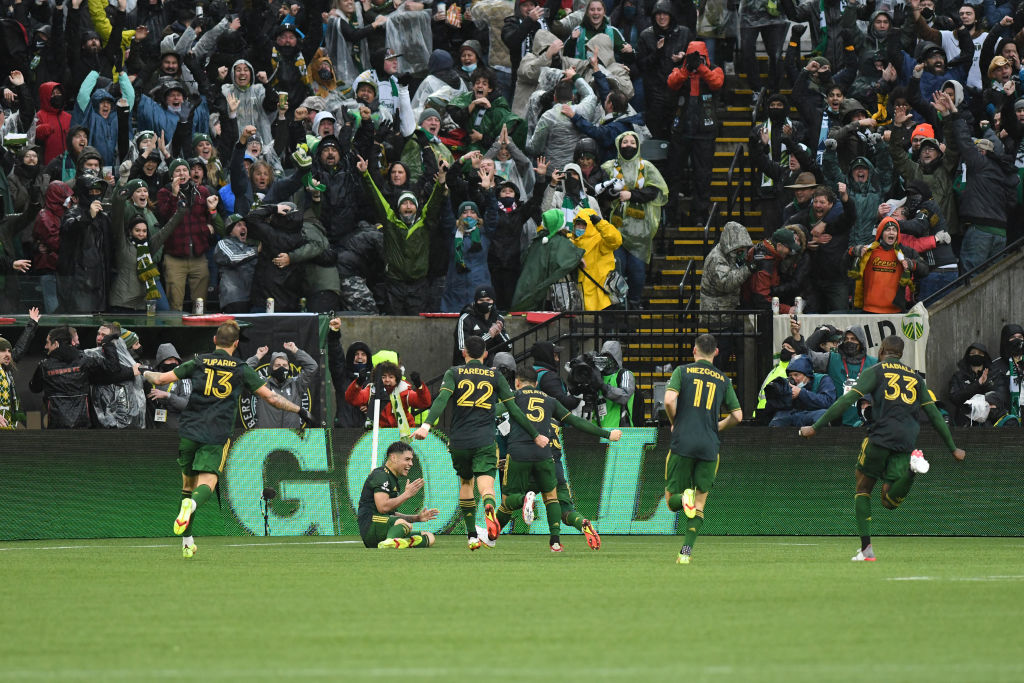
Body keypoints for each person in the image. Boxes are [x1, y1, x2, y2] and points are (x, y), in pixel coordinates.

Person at [143, 321, 316, 559]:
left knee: (187, 488)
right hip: (215, 433)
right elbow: (272, 398)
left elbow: (161, 379)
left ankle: (187, 541)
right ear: (236, 343)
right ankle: (191, 508)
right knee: (207, 482)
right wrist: (300, 411)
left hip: (189, 429)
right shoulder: (241, 368)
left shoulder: (198, 361)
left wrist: (141, 370)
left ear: (215, 340)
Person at [799, 336, 966, 562]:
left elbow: (846, 400)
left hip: (880, 436)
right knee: (888, 500)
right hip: (906, 441)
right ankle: (911, 470)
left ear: (883, 351)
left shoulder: (876, 371)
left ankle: (867, 549)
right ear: (901, 353)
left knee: (863, 487)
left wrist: (816, 427)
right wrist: (953, 448)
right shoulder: (915, 377)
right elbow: (935, 415)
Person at [412, 335, 548, 550]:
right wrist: (535, 434)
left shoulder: (454, 372)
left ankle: (472, 536)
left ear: (464, 352)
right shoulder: (494, 375)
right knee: (486, 487)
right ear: (486, 354)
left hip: (459, 440)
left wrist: (426, 426)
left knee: (466, 483)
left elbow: (441, 399)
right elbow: (514, 408)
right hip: (484, 439)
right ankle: (489, 510)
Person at [496, 367, 621, 552]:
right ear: (537, 383)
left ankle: (492, 533)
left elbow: (491, 412)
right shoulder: (550, 403)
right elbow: (576, 422)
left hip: (520, 454)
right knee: (553, 499)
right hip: (549, 460)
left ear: (516, 382)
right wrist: (607, 434)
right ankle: (555, 541)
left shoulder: (514, 398)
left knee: (507, 502)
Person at [663, 333, 743, 564]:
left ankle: (683, 497)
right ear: (716, 353)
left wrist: (674, 421)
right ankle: (685, 553)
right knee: (699, 504)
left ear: (694, 351)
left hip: (683, 441)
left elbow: (669, 400)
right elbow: (738, 415)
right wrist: (717, 426)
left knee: (672, 502)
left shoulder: (683, 371)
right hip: (709, 445)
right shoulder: (723, 380)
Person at [29, 325, 127, 429]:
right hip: (82, 425)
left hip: (56, 426)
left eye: (48, 343)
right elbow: (113, 367)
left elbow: (35, 388)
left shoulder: (44, 366)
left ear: (56, 344)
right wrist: (107, 343)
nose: (45, 346)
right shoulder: (84, 360)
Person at [359, 441, 439, 549]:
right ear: (393, 458)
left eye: (411, 460)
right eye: (407, 459)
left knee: (429, 537)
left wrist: (417, 518)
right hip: (371, 526)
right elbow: (383, 508)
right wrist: (406, 495)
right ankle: (390, 541)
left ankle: (397, 542)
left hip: (384, 525)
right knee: (404, 524)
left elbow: (390, 514)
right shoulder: (381, 475)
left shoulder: (393, 479)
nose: (411, 463)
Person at [849, 216, 928, 314]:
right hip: (869, 310)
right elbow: (844, 266)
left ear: (897, 233)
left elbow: (925, 269)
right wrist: (852, 252)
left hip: (896, 311)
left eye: (894, 230)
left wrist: (912, 264)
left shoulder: (905, 252)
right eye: (888, 229)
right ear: (881, 233)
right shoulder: (867, 250)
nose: (891, 232)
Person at [345, 360, 432, 438]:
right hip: (380, 437)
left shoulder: (404, 391)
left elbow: (424, 403)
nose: (387, 380)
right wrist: (358, 382)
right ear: (377, 379)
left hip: (405, 437)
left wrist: (419, 386)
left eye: (391, 377)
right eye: (383, 377)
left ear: (396, 379)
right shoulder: (371, 391)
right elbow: (351, 398)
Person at [246, 343, 319, 429]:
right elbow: (245, 370)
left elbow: (312, 367)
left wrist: (295, 350)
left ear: (289, 368)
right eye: (277, 365)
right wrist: (258, 356)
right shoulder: (262, 385)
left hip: (290, 438)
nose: (282, 368)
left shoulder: (297, 384)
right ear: (271, 368)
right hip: (265, 439)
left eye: (285, 365)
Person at [768, 355, 837, 427]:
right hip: (795, 414)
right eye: (790, 375)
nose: (793, 378)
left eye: (796, 375)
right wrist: (780, 395)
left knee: (822, 415)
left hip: (813, 413)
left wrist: (801, 393)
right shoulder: (788, 384)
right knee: (777, 419)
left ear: (807, 375)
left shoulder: (823, 379)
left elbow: (828, 402)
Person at [0, 308, 40, 429]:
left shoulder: (5, 368)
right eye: (2, 350)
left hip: (8, 422)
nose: (8, 354)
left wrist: (32, 323)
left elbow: (19, 349)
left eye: (9, 351)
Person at [453, 285, 510, 365]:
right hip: (467, 369)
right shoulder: (465, 319)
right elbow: (462, 349)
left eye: (488, 300)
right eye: (481, 300)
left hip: (491, 370)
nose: (485, 303)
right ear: (476, 301)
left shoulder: (498, 318)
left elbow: (509, 347)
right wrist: (489, 335)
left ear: (493, 300)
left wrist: (498, 333)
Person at [947, 342, 996, 427]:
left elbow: (999, 395)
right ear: (967, 355)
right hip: (964, 422)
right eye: (973, 353)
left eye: (980, 354)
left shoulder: (993, 375)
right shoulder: (958, 376)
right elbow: (954, 397)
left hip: (989, 422)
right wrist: (978, 384)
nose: (976, 355)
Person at [592, 340, 639, 428]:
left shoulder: (624, 374)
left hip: (619, 430)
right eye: (604, 356)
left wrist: (603, 386)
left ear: (616, 358)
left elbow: (624, 395)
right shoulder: (597, 375)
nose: (607, 360)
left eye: (609, 356)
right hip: (597, 429)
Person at [146, 343, 191, 430]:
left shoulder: (184, 378)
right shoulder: (150, 377)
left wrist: (168, 395)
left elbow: (187, 404)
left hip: (177, 428)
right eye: (170, 359)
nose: (174, 362)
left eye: (176, 360)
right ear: (161, 361)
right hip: (153, 427)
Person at [990, 324, 1024, 423]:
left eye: (1020, 337)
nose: (1017, 340)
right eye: (1012, 337)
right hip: (1008, 415)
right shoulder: (996, 365)